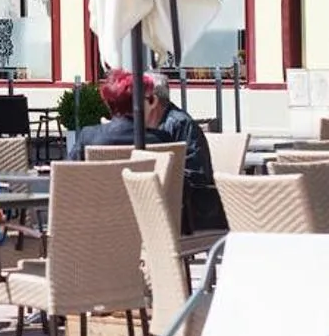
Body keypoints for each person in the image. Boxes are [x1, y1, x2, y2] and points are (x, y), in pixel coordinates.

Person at [67, 69, 222, 233]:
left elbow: (69, 179)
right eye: (150, 98)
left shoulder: (88, 136)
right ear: (147, 103)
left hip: (101, 229)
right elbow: (179, 186)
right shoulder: (161, 140)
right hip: (154, 228)